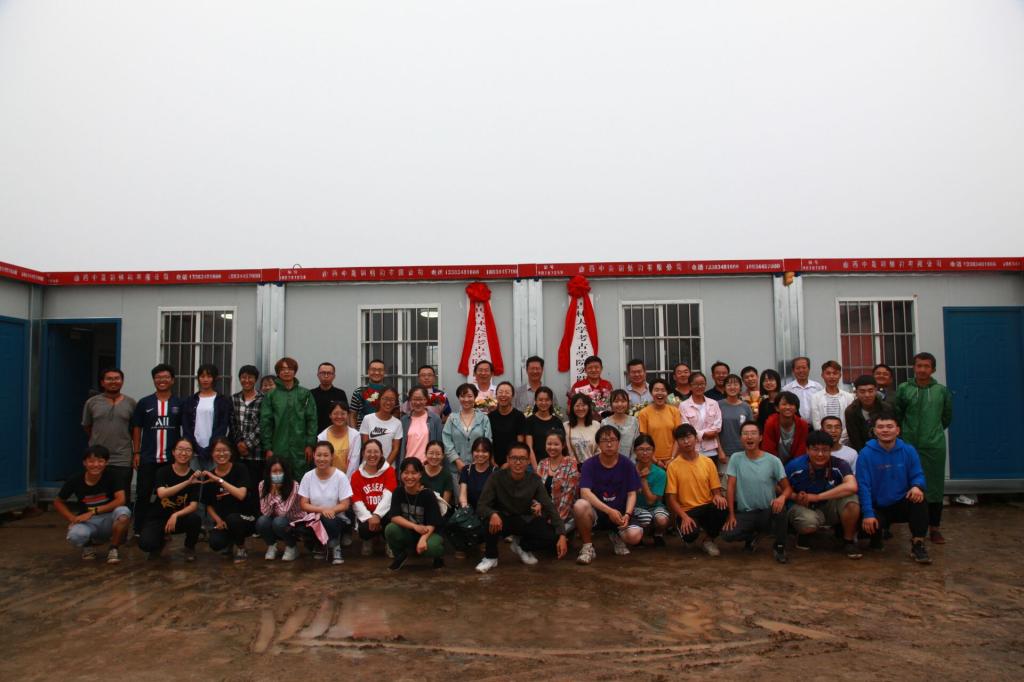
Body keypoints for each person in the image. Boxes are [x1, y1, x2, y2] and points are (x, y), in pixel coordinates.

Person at [474, 442, 569, 572]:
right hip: (502, 519)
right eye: (514, 458)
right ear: (508, 459)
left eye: (522, 459)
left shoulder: (534, 480)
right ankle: (491, 557)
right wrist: (492, 514)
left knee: (552, 536)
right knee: (487, 520)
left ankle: (522, 546)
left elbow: (549, 507)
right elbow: (481, 505)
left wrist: (562, 534)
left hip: (524, 519)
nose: (518, 462)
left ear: (528, 461)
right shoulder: (496, 477)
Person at [895, 352, 953, 544]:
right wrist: (905, 434)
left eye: (926, 366)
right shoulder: (904, 389)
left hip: (933, 446)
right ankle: (915, 529)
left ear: (933, 369)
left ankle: (935, 528)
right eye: (919, 366)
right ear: (913, 367)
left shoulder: (941, 391)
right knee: (909, 484)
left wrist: (932, 433)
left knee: (934, 487)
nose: (922, 370)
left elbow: (946, 417)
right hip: (908, 444)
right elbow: (898, 414)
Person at [856, 417, 932, 563]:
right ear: (874, 431)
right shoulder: (865, 454)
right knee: (868, 524)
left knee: (919, 499)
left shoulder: (908, 450)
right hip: (877, 506)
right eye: (880, 427)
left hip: (900, 503)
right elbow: (863, 486)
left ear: (897, 430)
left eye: (889, 426)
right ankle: (876, 537)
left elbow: (918, 474)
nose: (885, 430)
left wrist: (917, 486)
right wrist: (868, 513)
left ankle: (918, 544)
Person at [721, 422, 792, 563]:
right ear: (741, 438)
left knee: (781, 510)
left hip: (767, 510)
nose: (749, 437)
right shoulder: (735, 458)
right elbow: (730, 487)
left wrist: (782, 497)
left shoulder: (773, 460)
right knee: (727, 535)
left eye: (753, 433)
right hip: (746, 512)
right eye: (745, 434)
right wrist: (731, 515)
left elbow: (788, 488)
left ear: (760, 438)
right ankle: (752, 537)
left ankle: (779, 547)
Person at [572, 425, 643, 564]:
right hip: (597, 513)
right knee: (580, 505)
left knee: (635, 536)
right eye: (604, 440)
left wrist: (628, 514)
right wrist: (609, 511)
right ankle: (587, 547)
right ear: (598, 444)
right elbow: (585, 492)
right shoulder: (589, 464)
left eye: (612, 440)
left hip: (621, 514)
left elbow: (632, 493)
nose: (609, 444)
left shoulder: (627, 464)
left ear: (618, 442)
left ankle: (616, 535)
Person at [785, 430, 862, 558]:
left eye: (825, 450)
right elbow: (778, 486)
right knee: (808, 523)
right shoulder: (795, 466)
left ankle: (848, 541)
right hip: (803, 506)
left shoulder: (839, 464)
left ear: (831, 450)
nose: (820, 454)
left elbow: (852, 486)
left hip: (827, 504)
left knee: (852, 501)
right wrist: (795, 496)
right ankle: (803, 534)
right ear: (807, 450)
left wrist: (817, 497)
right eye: (815, 450)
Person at [53, 445, 131, 564]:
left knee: (123, 513)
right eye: (91, 461)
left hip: (109, 518)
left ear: (106, 462)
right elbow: (58, 502)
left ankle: (113, 548)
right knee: (75, 535)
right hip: (88, 522)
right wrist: (72, 518)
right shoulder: (75, 479)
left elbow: (121, 500)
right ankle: (87, 546)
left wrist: (93, 511)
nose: (96, 465)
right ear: (84, 463)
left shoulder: (113, 475)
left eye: (100, 461)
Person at [131, 363, 183, 536]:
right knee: (143, 494)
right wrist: (136, 452)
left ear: (172, 380)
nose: (162, 380)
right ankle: (138, 530)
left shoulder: (178, 403)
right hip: (148, 458)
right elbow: (137, 428)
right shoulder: (144, 403)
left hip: (170, 460)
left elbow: (185, 429)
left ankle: (165, 530)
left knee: (168, 497)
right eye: (158, 377)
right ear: (154, 380)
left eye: (166, 377)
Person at [664, 424, 729, 556]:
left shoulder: (707, 462)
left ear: (696, 438)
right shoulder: (673, 466)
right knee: (690, 536)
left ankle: (708, 540)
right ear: (677, 442)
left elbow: (715, 489)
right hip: (687, 510)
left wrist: (718, 496)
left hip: (706, 506)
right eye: (682, 439)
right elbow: (671, 498)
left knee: (722, 506)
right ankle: (688, 532)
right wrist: (684, 517)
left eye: (689, 437)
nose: (686, 441)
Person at [138, 438, 202, 561]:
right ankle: (162, 541)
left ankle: (189, 548)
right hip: (159, 517)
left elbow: (193, 506)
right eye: (180, 449)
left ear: (193, 454)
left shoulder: (194, 476)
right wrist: (187, 482)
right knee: (146, 544)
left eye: (188, 450)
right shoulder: (163, 471)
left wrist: (176, 515)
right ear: (173, 452)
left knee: (195, 519)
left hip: (179, 518)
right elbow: (162, 494)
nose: (183, 453)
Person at [82, 367, 136, 505]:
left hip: (122, 457)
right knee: (99, 495)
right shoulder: (92, 402)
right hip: (97, 457)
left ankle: (122, 518)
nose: (113, 382)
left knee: (123, 496)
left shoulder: (131, 403)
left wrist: (136, 453)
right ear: (102, 382)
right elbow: (87, 426)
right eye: (109, 379)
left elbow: (135, 430)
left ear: (122, 381)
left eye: (117, 378)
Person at [297, 441, 353, 565]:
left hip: (336, 518)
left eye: (326, 455)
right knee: (300, 528)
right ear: (314, 456)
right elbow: (304, 504)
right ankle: (320, 545)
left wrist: (331, 510)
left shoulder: (340, 476)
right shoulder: (308, 476)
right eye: (319, 455)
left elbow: (345, 504)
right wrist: (322, 510)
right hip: (315, 518)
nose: (322, 459)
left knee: (328, 519)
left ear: (332, 456)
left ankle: (336, 546)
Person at [260, 357, 317, 476]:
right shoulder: (271, 395)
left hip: (301, 447)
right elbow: (266, 423)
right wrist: (268, 448)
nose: (286, 371)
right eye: (282, 369)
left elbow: (312, 420)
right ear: (278, 372)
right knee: (279, 478)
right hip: (278, 446)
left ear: (295, 371)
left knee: (302, 477)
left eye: (290, 368)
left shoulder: (305, 394)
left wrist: (310, 444)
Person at [385, 458, 446, 570]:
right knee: (391, 529)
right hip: (410, 531)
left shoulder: (427, 494)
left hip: (429, 532)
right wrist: (414, 526)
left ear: (420, 474)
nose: (409, 477)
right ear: (401, 474)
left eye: (414, 473)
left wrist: (423, 539)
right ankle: (401, 555)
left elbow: (433, 523)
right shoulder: (398, 492)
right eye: (406, 473)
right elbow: (394, 517)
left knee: (433, 547)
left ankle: (437, 557)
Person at [201, 438, 253, 562]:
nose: (221, 454)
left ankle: (241, 547)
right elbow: (208, 504)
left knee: (233, 519)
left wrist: (219, 480)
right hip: (223, 521)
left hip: (245, 518)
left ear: (231, 452)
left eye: (225, 450)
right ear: (212, 453)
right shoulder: (210, 476)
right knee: (215, 543)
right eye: (217, 451)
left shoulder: (240, 468)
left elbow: (241, 495)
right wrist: (218, 520)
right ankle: (229, 543)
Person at [350, 439, 397, 556]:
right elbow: (356, 501)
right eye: (369, 452)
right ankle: (368, 540)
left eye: (376, 452)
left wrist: (377, 515)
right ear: (363, 454)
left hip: (385, 513)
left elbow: (389, 495)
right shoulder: (356, 476)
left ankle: (390, 542)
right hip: (368, 514)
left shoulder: (389, 471)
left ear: (381, 454)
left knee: (392, 522)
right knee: (364, 528)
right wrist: (369, 517)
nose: (372, 455)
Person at [182, 363, 232, 470]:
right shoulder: (190, 400)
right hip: (194, 450)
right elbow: (186, 426)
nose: (205, 379)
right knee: (194, 478)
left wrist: (211, 447)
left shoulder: (222, 400)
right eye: (202, 376)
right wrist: (196, 446)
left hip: (215, 450)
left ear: (215, 378)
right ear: (198, 378)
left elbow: (223, 426)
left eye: (209, 376)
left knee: (213, 478)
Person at [230, 364, 265, 515]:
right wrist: (239, 443)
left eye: (250, 377)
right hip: (238, 453)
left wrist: (248, 444)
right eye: (243, 377)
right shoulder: (234, 399)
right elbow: (232, 423)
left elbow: (263, 425)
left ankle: (255, 519)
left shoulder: (263, 399)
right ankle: (241, 518)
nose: (247, 380)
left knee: (256, 488)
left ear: (255, 379)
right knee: (239, 487)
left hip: (256, 454)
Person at [256, 456, 302, 561]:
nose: (277, 474)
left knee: (279, 522)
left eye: (280, 471)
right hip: (274, 518)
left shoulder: (294, 485)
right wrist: (271, 493)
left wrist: (276, 493)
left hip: (293, 520)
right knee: (262, 521)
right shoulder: (262, 485)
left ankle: (292, 547)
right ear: (269, 473)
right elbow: (265, 512)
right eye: (274, 471)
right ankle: (271, 546)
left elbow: (282, 512)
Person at [442, 383, 493, 477]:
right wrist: (457, 460)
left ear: (475, 397)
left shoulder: (483, 418)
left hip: (480, 468)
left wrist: (477, 462)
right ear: (458, 398)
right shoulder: (452, 418)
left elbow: (488, 441)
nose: (466, 399)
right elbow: (446, 441)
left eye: (469, 396)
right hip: (456, 469)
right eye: (462, 396)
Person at [535, 432, 580, 534]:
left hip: (564, 515)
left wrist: (556, 521)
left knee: (551, 535)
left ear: (563, 445)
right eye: (549, 444)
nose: (552, 447)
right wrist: (538, 504)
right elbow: (536, 490)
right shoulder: (542, 463)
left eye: (556, 444)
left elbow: (568, 497)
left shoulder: (571, 463)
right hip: (544, 511)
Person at [680, 372, 724, 468]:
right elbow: (686, 427)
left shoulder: (713, 403)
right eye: (696, 384)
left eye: (702, 384)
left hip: (712, 450)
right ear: (690, 386)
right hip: (693, 450)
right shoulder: (683, 405)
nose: (699, 387)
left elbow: (717, 426)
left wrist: (702, 433)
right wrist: (704, 434)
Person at [632, 434, 669, 545]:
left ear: (653, 451)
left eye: (648, 449)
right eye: (641, 449)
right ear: (635, 451)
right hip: (635, 508)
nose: (645, 453)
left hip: (655, 506)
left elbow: (651, 501)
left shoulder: (660, 473)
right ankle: (639, 535)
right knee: (646, 518)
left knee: (661, 519)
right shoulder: (629, 471)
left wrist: (643, 481)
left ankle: (658, 534)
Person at [844, 374, 897, 453]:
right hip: (862, 451)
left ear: (876, 390)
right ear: (856, 392)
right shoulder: (851, 411)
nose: (867, 395)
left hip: (886, 449)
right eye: (862, 391)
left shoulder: (886, 408)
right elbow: (855, 439)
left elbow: (892, 432)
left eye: (870, 391)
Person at [637, 379, 681, 468]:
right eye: (656, 390)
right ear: (651, 392)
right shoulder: (644, 413)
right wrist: (655, 461)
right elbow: (644, 440)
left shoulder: (674, 411)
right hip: (651, 460)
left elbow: (678, 437)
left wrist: (672, 458)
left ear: (667, 393)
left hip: (673, 459)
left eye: (663, 390)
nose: (660, 393)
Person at [317, 401, 362, 480]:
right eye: (335, 413)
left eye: (343, 413)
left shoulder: (355, 435)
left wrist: (345, 482)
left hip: (348, 480)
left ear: (348, 415)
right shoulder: (322, 437)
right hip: (328, 478)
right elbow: (322, 461)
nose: (339, 416)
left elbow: (354, 463)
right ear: (330, 415)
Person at [809, 360, 854, 438]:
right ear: (822, 375)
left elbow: (850, 422)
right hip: (823, 439)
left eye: (835, 373)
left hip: (844, 439)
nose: (832, 376)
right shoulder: (815, 397)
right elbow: (816, 423)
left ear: (840, 375)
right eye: (828, 373)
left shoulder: (849, 397)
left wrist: (840, 437)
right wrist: (825, 438)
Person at [399, 386, 444, 465]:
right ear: (410, 400)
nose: (417, 402)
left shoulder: (435, 419)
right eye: (414, 399)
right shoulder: (404, 420)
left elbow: (440, 444)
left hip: (428, 466)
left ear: (426, 400)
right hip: (408, 466)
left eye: (420, 399)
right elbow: (401, 447)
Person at [359, 387, 404, 464]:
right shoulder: (368, 419)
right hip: (368, 465)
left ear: (395, 402)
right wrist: (372, 465)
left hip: (388, 466)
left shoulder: (397, 423)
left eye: (392, 399)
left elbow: (395, 449)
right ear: (379, 400)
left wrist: (384, 467)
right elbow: (365, 446)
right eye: (385, 398)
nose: (388, 402)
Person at [761, 391, 809, 465]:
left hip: (795, 464)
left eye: (791, 404)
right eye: (784, 404)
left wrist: (793, 466)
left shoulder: (803, 425)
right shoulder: (770, 423)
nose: (788, 407)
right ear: (777, 408)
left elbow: (801, 450)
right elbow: (768, 449)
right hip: (774, 463)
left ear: (796, 409)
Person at [523, 386, 565, 468]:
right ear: (535, 401)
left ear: (551, 401)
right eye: (540, 400)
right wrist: (536, 469)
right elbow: (529, 447)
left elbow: (562, 446)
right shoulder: (529, 421)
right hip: (535, 465)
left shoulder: (557, 422)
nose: (543, 403)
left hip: (555, 466)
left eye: (547, 400)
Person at [488, 382, 527, 467]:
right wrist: (492, 460)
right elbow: (489, 441)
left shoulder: (519, 416)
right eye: (500, 392)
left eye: (507, 392)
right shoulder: (490, 417)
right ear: (496, 395)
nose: (503, 395)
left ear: (512, 396)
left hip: (513, 462)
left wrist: (509, 463)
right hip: (493, 463)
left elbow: (520, 444)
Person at [718, 374, 754, 462]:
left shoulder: (746, 407)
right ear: (724, 388)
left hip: (744, 452)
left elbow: (752, 430)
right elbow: (715, 432)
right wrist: (720, 451)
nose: (732, 387)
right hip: (724, 453)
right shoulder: (717, 405)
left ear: (740, 387)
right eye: (729, 384)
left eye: (735, 384)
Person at [458, 437, 498, 512]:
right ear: (472, 452)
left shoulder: (496, 472)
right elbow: (463, 495)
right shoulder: (466, 470)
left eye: (484, 451)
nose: (480, 454)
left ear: (490, 453)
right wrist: (466, 510)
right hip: (469, 512)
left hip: (490, 514)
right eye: (477, 451)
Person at [310, 362, 349, 433]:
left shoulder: (340, 393)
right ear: (318, 375)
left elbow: (345, 415)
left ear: (334, 376)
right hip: (314, 433)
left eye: (329, 373)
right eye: (323, 373)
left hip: (336, 433)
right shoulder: (311, 394)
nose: (326, 376)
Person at [601, 389, 640, 461]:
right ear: (611, 404)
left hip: (630, 463)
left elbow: (636, 444)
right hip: (609, 462)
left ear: (628, 403)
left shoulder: (634, 421)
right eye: (616, 401)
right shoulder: (605, 423)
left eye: (623, 401)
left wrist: (630, 463)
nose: (619, 404)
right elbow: (603, 445)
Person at [350, 359, 388, 428]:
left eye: (380, 370)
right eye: (373, 369)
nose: (376, 372)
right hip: (363, 432)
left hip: (385, 431)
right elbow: (353, 415)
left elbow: (395, 413)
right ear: (368, 371)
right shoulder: (358, 392)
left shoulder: (390, 392)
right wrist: (355, 433)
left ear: (384, 372)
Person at [782, 356, 822, 421]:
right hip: (795, 424)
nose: (801, 370)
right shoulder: (787, 389)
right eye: (798, 368)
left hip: (815, 425)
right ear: (793, 370)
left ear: (809, 369)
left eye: (804, 367)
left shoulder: (818, 387)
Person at [564, 393, 600, 463]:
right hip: (572, 467)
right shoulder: (566, 426)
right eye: (577, 406)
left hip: (592, 465)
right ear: (572, 408)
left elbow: (600, 449)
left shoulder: (596, 425)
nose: (580, 408)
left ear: (588, 407)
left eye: (583, 405)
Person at [421, 440, 454, 505]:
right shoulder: (419, 471)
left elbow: (444, 504)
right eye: (431, 453)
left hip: (439, 509)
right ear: (425, 454)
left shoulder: (447, 475)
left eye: (438, 454)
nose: (434, 457)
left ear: (443, 456)